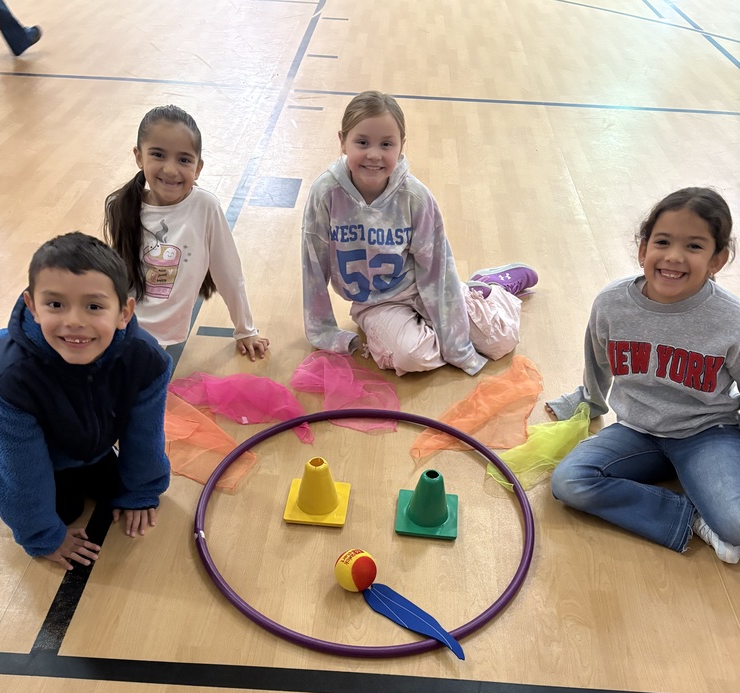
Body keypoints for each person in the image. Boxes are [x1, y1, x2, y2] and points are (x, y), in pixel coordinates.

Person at [548, 187, 740, 563]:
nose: (673, 257)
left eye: (695, 246)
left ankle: (708, 492)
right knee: (568, 482)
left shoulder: (730, 319)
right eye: (662, 241)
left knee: (735, 525)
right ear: (642, 249)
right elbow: (596, 359)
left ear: (718, 260)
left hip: (705, 434)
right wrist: (588, 399)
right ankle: (691, 517)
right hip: (637, 432)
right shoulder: (611, 303)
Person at [301, 90, 538, 377]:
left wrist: (457, 345)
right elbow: (313, 264)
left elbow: (437, 268)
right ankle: (430, 321)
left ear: (401, 146)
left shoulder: (415, 197)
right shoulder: (326, 194)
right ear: (343, 142)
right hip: (375, 303)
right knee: (413, 357)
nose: (374, 154)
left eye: (386, 144)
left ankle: (489, 287)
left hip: (423, 286)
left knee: (501, 340)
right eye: (362, 142)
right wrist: (324, 331)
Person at [0, 232, 172, 570]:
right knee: (63, 511)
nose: (74, 321)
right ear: (33, 307)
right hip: (10, 432)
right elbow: (19, 469)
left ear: (124, 312)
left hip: (78, 440)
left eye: (94, 306)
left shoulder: (146, 360)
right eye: (55, 304)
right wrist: (42, 534)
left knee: (113, 488)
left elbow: (146, 436)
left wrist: (142, 491)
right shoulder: (10, 379)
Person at [104, 105, 268, 364]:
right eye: (158, 155)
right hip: (119, 326)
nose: (170, 169)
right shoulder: (122, 205)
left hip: (155, 339)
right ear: (138, 156)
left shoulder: (205, 207)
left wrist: (245, 329)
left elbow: (229, 274)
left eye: (184, 159)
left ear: (198, 167)